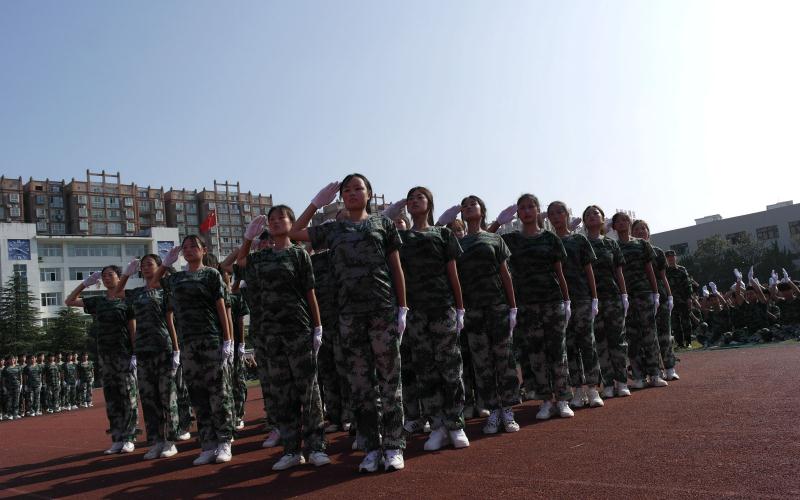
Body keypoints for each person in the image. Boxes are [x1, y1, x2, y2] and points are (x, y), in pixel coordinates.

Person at [290, 174, 408, 473]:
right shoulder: (333, 228)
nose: (353, 193)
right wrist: (316, 204)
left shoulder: (383, 225)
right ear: (341, 196)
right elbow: (294, 232)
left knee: (389, 380)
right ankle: (371, 447)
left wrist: (402, 307)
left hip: (381, 310)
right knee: (360, 385)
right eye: (347, 190)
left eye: (358, 188)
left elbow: (395, 267)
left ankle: (393, 445)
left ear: (369, 194)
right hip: (349, 315)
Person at [238, 205, 329, 471]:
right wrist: (248, 238)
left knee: (308, 391)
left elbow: (310, 292)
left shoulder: (299, 254)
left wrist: (317, 326)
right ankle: (291, 450)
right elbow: (240, 263)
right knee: (282, 393)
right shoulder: (261, 257)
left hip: (298, 328)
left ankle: (316, 447)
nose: (276, 222)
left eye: (282, 218)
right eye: (272, 219)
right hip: (270, 333)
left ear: (291, 223)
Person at [390, 187, 469, 451]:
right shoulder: (400, 238)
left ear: (430, 203)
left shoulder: (443, 234)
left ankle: (455, 424)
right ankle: (437, 426)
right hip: (416, 311)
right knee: (425, 370)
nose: (414, 201)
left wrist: (460, 308)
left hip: (442, 307)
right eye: (410, 198)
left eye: (420, 197)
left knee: (450, 367)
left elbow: (453, 274)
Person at [488, 194, 573, 420]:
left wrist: (567, 301)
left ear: (537, 210)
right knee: (536, 353)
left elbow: (560, 272)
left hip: (552, 300)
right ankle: (546, 400)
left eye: (530, 207)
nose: (526, 211)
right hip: (526, 304)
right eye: (522, 208)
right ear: (518, 213)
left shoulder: (550, 238)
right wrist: (498, 222)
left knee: (558, 351)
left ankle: (563, 398)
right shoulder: (511, 239)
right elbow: (484, 239)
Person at [156, 236, 235, 465]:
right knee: (198, 396)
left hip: (210, 339)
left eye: (194, 246)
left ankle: (224, 441)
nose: (189, 250)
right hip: (188, 343)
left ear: (204, 250)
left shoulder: (211, 274)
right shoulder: (177, 278)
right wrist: (165, 263)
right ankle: (208, 445)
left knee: (218, 393)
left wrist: (227, 340)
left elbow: (221, 307)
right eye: (186, 248)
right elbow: (153, 283)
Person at [455, 195, 521, 432]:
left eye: (473, 204)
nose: (468, 207)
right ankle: (493, 410)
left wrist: (512, 307)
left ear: (482, 210)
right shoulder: (457, 243)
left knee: (504, 358)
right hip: (472, 309)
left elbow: (505, 274)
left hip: (497, 305)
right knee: (482, 361)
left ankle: (508, 409)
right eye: (464, 206)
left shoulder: (494, 239)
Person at [115, 253, 182, 460]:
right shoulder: (137, 293)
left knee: (167, 396)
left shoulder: (165, 291)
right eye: (142, 265)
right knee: (149, 398)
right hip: (143, 350)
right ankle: (156, 441)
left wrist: (176, 349)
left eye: (149, 264)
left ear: (159, 266)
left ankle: (170, 440)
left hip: (162, 347)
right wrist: (126, 274)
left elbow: (170, 320)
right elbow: (117, 293)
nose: (145, 267)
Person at [66, 266, 138, 454]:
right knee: (112, 398)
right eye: (104, 275)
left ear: (119, 277)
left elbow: (133, 329)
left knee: (127, 396)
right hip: (105, 356)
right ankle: (117, 438)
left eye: (110, 275)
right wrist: (85, 283)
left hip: (123, 354)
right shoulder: (99, 301)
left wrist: (134, 353)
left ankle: (129, 437)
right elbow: (69, 301)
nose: (106, 278)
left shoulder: (127, 300)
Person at [547, 201, 603, 409]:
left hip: (581, 297)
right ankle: (577, 389)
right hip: (558, 300)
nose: (556, 217)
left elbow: (589, 270)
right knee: (568, 346)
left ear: (567, 214)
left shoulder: (579, 239)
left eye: (560, 212)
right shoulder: (548, 241)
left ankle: (593, 388)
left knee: (587, 343)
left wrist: (594, 298)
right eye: (552, 214)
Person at [611, 213, 668, 388]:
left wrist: (655, 293)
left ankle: (655, 373)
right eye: (618, 221)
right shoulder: (613, 246)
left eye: (625, 220)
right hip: (625, 296)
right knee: (632, 337)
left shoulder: (642, 244)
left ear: (629, 223)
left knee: (650, 334)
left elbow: (649, 269)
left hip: (644, 292)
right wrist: (621, 295)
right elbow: (614, 272)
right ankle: (638, 376)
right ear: (614, 226)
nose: (622, 223)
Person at [582, 205, 630, 398]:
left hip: (612, 297)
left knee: (617, 340)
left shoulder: (611, 244)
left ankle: (622, 381)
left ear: (603, 219)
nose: (592, 216)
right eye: (588, 214)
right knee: (600, 342)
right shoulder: (582, 243)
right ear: (584, 222)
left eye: (596, 213)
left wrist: (624, 295)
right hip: (591, 300)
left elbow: (619, 272)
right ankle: (608, 383)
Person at [632, 220, 677, 381]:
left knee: (665, 333)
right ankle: (655, 370)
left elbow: (663, 277)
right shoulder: (631, 251)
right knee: (647, 337)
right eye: (637, 229)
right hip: (641, 297)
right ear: (632, 233)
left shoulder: (657, 252)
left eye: (643, 228)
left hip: (661, 296)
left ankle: (670, 367)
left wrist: (669, 296)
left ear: (648, 232)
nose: (641, 231)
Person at [665, 250, 693, 348]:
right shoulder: (664, 271)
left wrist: (689, 298)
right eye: (668, 258)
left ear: (675, 258)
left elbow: (688, 284)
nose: (671, 259)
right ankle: (680, 343)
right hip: (671, 301)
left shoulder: (682, 269)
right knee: (675, 323)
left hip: (682, 299)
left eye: (672, 257)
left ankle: (688, 342)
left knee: (686, 322)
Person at [2, 355, 21, 419]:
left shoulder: (18, 367)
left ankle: (15, 413)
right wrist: (4, 387)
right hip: (9, 387)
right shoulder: (5, 369)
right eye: (10, 359)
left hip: (16, 385)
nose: (12, 360)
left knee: (16, 400)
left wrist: (21, 384)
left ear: (14, 360)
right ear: (8, 360)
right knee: (9, 400)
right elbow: (3, 379)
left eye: (13, 359)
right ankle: (10, 414)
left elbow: (20, 376)